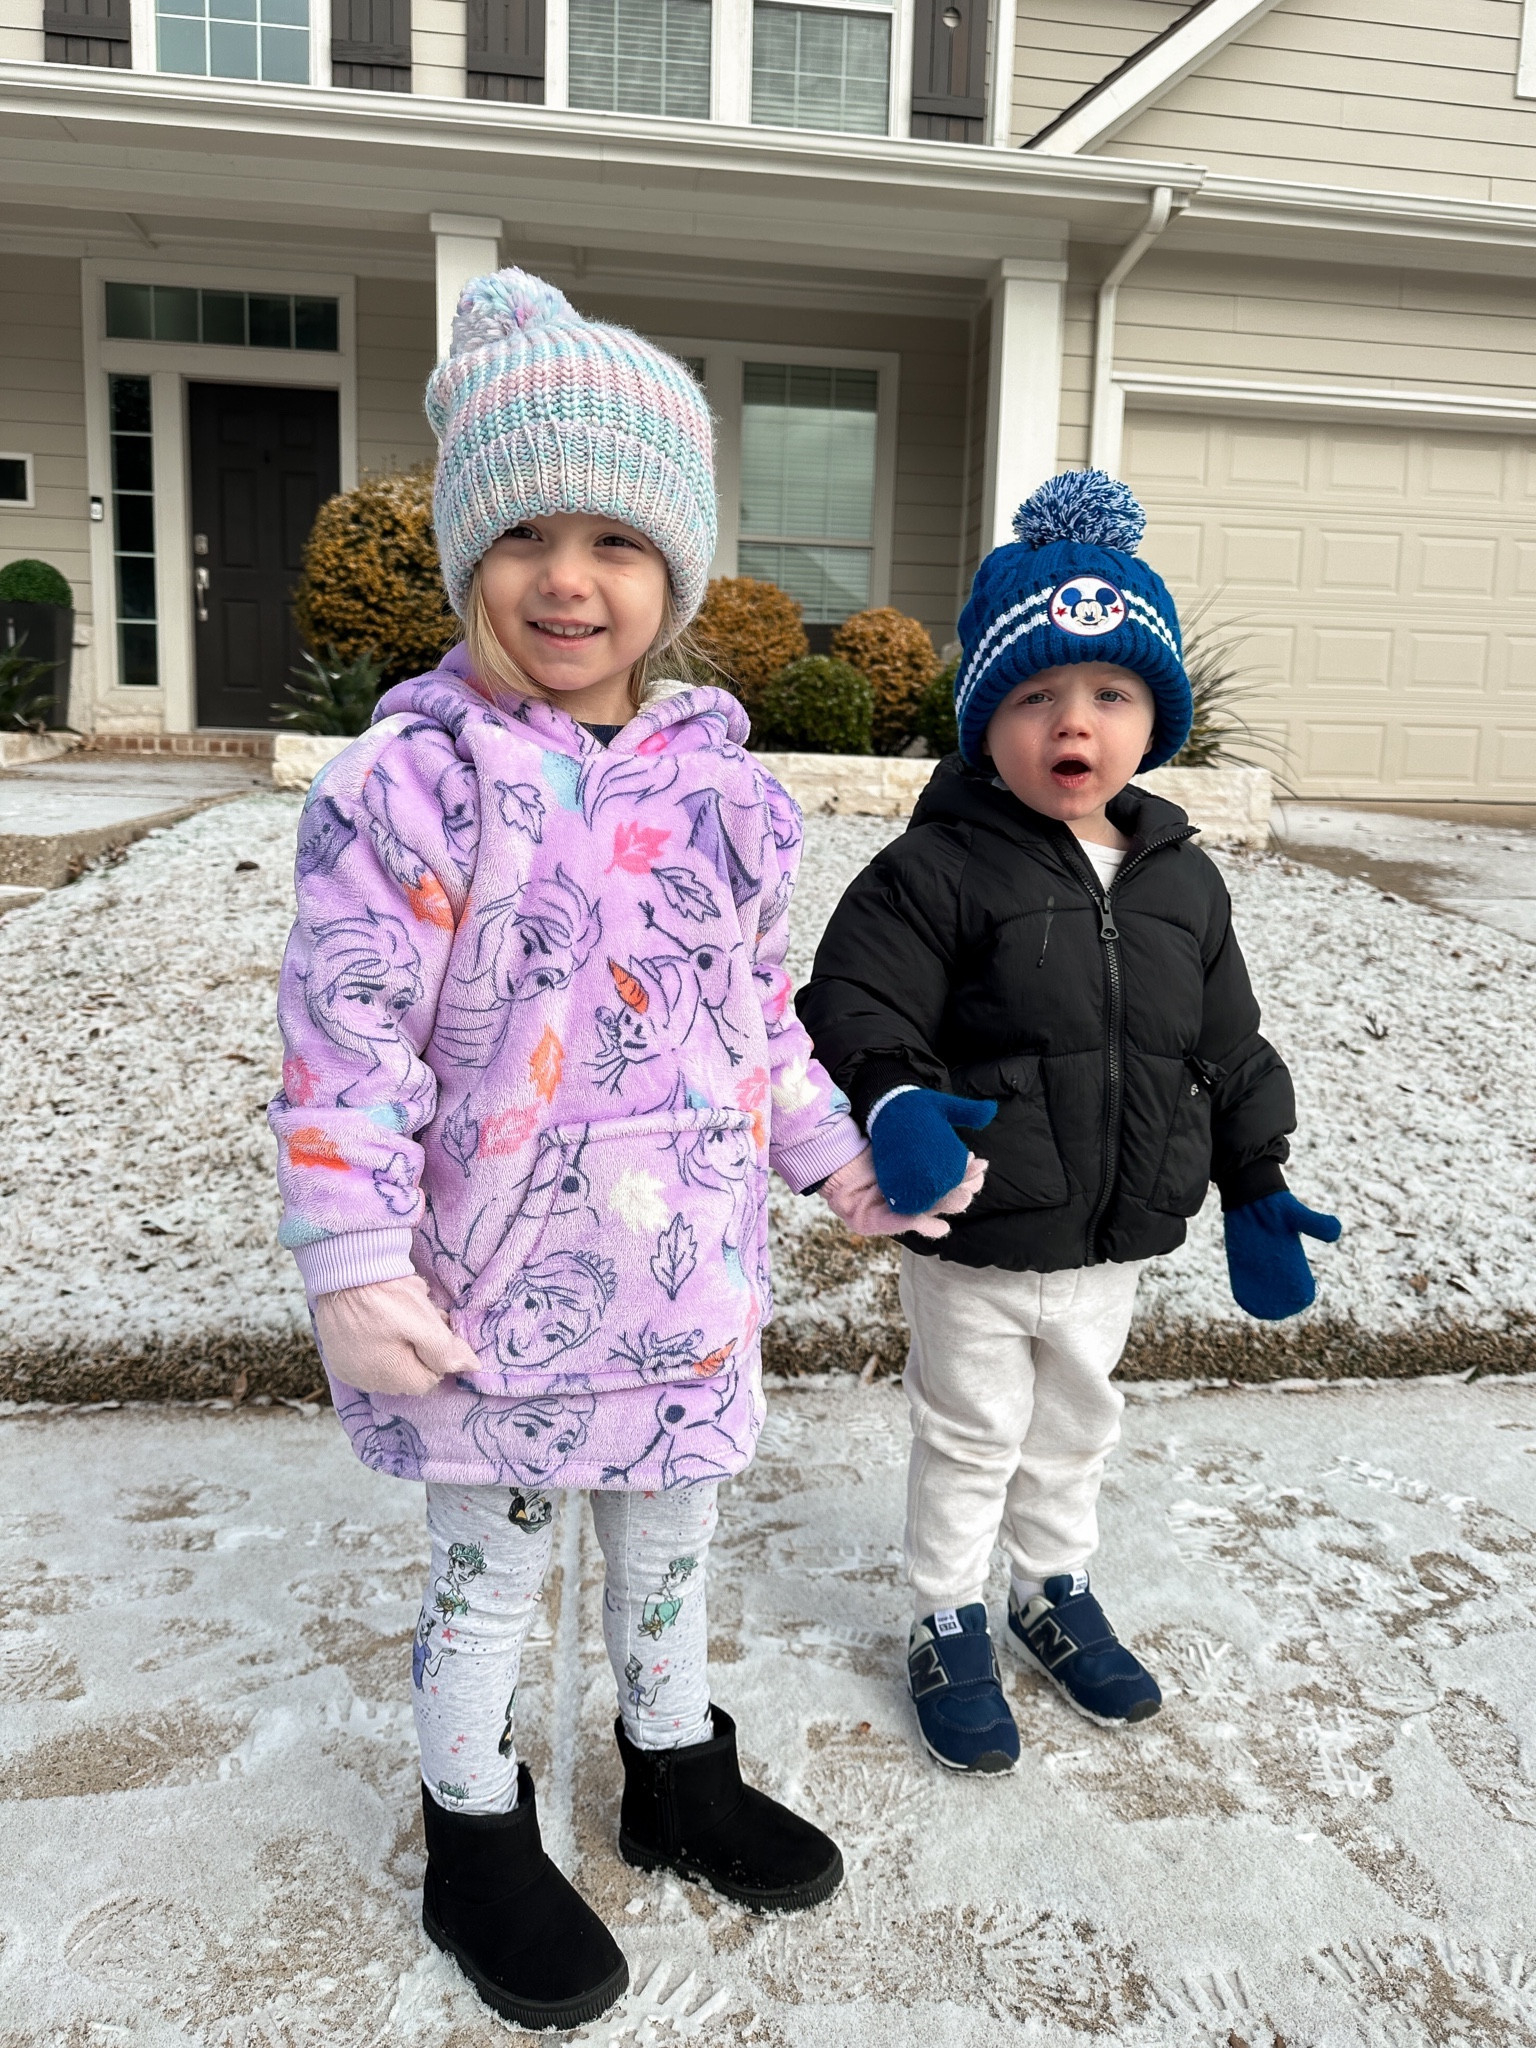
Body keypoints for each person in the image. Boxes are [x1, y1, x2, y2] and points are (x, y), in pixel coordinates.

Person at [270, 267, 971, 2031]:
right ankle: (473, 1827)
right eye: (521, 534)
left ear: (677, 571)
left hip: (682, 1290)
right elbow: (346, 1044)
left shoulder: (730, 800)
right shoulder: (408, 792)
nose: (566, 578)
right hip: (492, 1297)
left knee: (670, 1555)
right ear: (467, 559)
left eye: (614, 541)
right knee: (488, 1580)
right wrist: (351, 1260)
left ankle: (673, 1770)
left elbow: (759, 1021)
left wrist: (838, 1159)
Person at [796, 471, 1341, 1776]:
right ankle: (946, 1614)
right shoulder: (935, 869)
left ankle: (1051, 1589)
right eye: (1035, 695)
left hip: (1113, 1233)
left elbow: (1225, 1041)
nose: (1073, 722)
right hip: (979, 1229)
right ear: (988, 721)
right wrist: (897, 1099)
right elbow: (856, 999)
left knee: (1076, 1427)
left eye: (1109, 692)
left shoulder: (1180, 881)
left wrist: (1255, 1174)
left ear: (1156, 718)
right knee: (971, 1431)